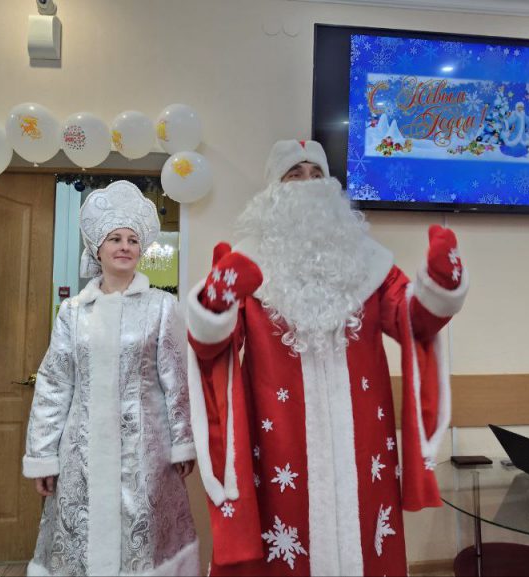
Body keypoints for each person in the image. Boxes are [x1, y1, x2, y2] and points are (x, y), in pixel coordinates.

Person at [185, 140, 469, 575]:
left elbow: (413, 319)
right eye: (294, 175)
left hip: (362, 445)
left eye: (316, 174)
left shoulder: (368, 262)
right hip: (279, 442)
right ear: (273, 191)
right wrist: (217, 302)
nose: (308, 185)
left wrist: (440, 286)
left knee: (364, 537)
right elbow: (212, 347)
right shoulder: (248, 263)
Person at [23, 180, 199, 576]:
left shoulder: (162, 307)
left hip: (145, 455)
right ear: (97, 249)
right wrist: (43, 455)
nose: (124, 246)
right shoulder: (73, 312)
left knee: (142, 549)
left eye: (132, 240)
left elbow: (178, 381)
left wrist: (182, 443)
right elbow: (55, 385)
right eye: (115, 239)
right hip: (81, 454)